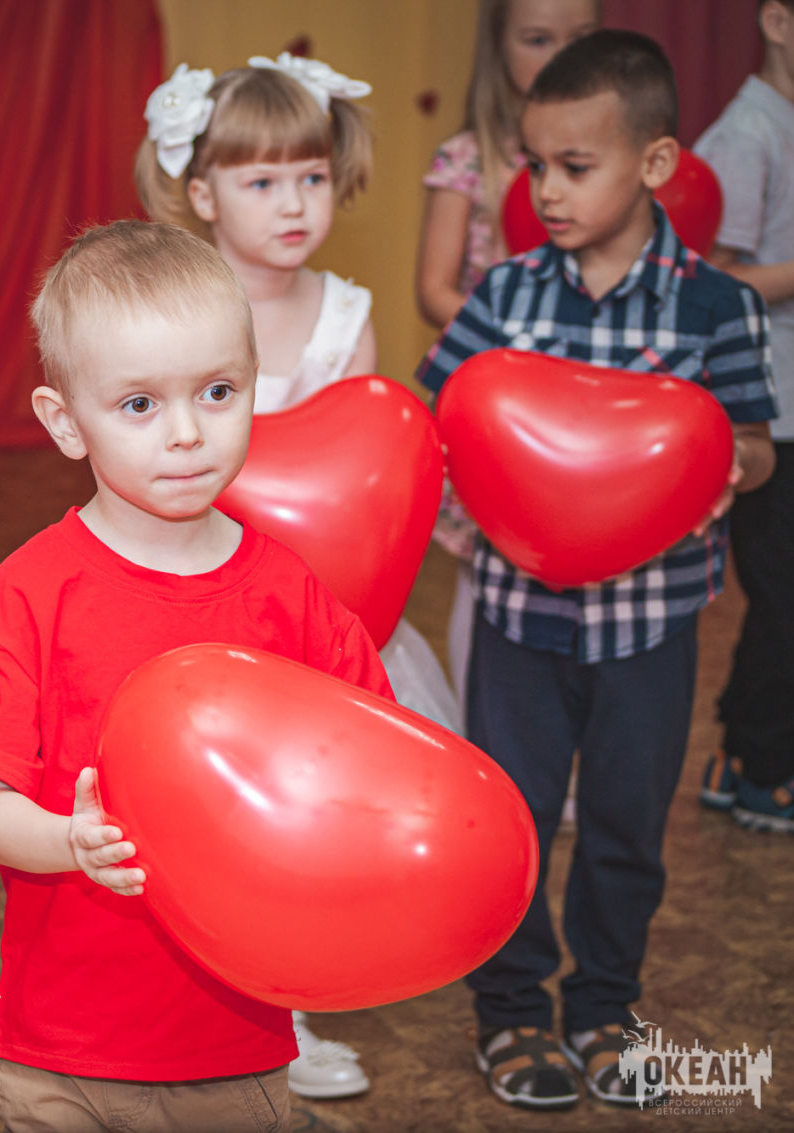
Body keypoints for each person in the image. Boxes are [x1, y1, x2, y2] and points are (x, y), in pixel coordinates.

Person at [0, 218, 395, 1133]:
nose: (186, 433)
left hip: (236, 1050)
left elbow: (365, 774)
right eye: (139, 404)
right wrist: (73, 842)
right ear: (66, 422)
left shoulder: (292, 598)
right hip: (62, 1053)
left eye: (218, 391)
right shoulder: (19, 602)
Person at [418, 31, 777, 1110]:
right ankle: (512, 1012)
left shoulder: (716, 306)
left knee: (626, 826)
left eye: (575, 166)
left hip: (649, 624)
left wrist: (721, 462)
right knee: (513, 822)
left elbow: (754, 444)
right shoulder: (504, 294)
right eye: (536, 165)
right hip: (518, 617)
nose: (547, 190)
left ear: (656, 162)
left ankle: (606, 1007)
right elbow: (440, 412)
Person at [135, 51, 445, 1097]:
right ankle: (201, 997)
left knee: (303, 811)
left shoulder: (344, 314)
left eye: (310, 177)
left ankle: (287, 1007)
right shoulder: (181, 305)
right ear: (201, 192)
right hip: (195, 603)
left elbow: (361, 469)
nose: (293, 203)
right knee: (205, 811)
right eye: (261, 180)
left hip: (311, 612)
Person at [415, 0, 598, 718]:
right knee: (485, 569)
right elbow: (434, 287)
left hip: (581, 401)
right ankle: (482, 732)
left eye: (580, 38)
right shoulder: (469, 157)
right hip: (493, 400)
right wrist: (512, 337)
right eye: (537, 39)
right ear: (499, 47)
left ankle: (555, 737)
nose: (560, 55)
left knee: (576, 561)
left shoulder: (608, 157)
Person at [693, 0, 794, 832]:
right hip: (769, 411)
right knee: (784, 596)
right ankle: (759, 765)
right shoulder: (747, 134)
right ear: (777, 22)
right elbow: (709, 278)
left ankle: (736, 752)